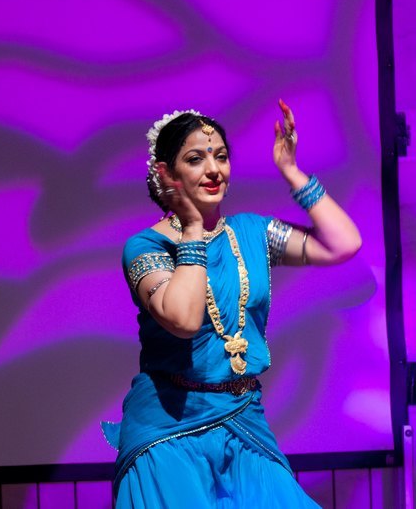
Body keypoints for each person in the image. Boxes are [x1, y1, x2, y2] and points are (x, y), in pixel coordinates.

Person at [102, 100, 362, 507]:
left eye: (221, 157)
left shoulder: (250, 233)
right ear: (166, 173)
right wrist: (191, 228)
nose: (213, 170)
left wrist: (293, 174)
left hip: (242, 418)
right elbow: (184, 320)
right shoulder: (147, 247)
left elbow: (343, 244)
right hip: (169, 430)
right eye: (195, 159)